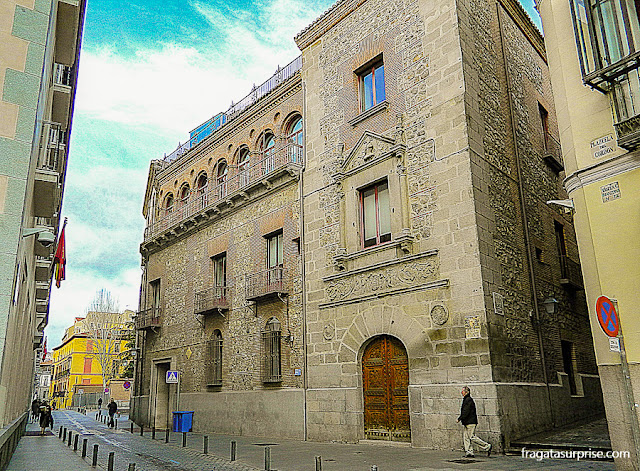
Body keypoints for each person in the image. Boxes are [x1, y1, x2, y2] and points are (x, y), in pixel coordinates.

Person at [457, 386, 492, 458]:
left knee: (471, 437)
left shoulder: (468, 400)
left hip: (470, 422)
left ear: (466, 392)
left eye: (463, 391)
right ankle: (469, 452)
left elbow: (466, 411)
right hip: (467, 422)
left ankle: (487, 446)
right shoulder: (466, 399)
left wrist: (460, 418)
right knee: (466, 437)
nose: (461, 392)